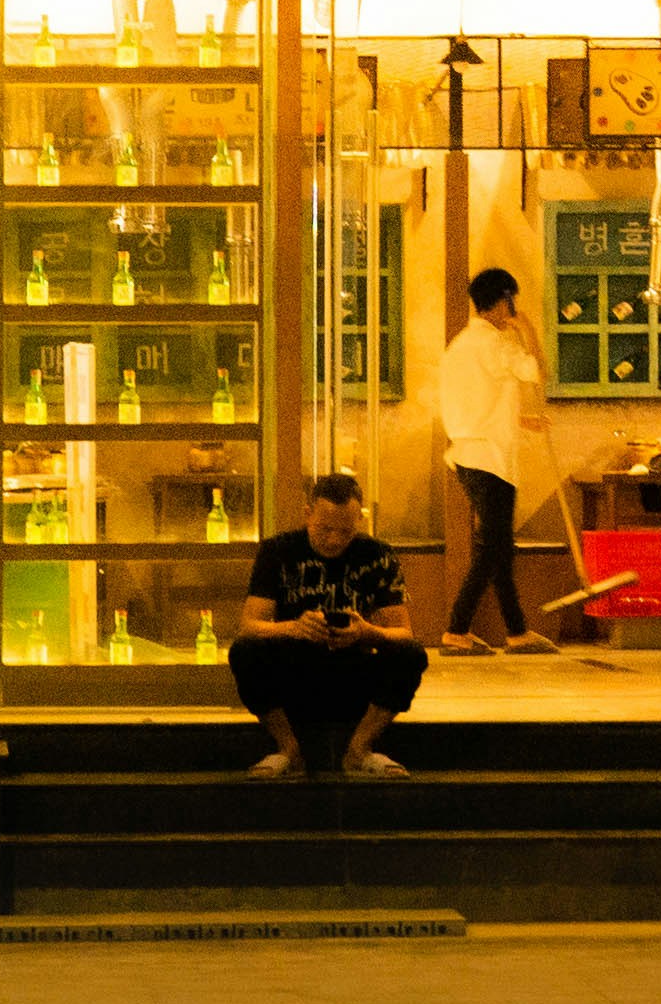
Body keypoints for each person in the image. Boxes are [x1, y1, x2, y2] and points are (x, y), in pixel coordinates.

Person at [230, 473, 426, 776]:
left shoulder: (378, 555)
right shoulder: (278, 551)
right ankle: (289, 748)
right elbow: (249, 625)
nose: (334, 539)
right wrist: (293, 628)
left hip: (354, 668)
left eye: (345, 531)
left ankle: (359, 748)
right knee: (244, 652)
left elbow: (403, 632)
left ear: (358, 522)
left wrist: (366, 632)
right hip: (295, 670)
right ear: (307, 515)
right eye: (324, 529)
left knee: (411, 653)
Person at [436, 266, 558, 653]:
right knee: (494, 548)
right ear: (504, 300)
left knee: (498, 546)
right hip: (491, 459)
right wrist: (529, 331)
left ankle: (518, 631)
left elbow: (475, 405)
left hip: (470, 455)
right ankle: (456, 630)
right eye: (512, 300)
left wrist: (522, 420)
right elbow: (538, 372)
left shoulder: (460, 346)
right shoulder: (497, 343)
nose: (514, 308)